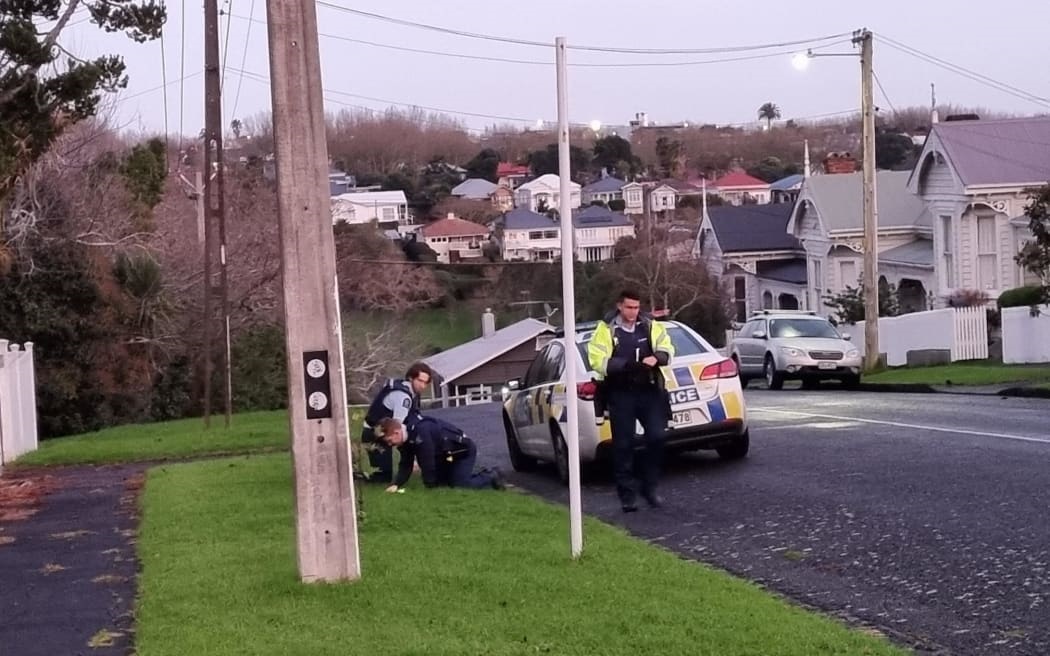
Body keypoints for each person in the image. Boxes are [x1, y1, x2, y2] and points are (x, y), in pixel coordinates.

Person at [587, 289, 675, 512]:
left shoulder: (650, 325)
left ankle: (649, 487)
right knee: (623, 445)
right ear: (620, 306)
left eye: (636, 308)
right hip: (621, 391)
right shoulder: (606, 329)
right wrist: (624, 365)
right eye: (629, 307)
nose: (633, 312)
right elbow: (597, 360)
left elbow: (667, 348)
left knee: (657, 437)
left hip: (649, 389)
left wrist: (657, 357)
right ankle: (627, 495)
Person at [375, 416, 504, 491]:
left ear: (397, 432)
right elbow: (406, 464)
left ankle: (492, 475)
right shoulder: (406, 439)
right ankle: (479, 477)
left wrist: (430, 485)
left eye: (390, 441)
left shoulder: (421, 432)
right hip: (447, 456)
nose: (390, 445)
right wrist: (396, 484)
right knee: (446, 484)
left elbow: (427, 461)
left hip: (462, 451)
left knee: (460, 485)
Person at [360, 362, 433, 483]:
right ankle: (355, 480)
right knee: (382, 477)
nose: (423, 386)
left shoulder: (406, 390)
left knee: (384, 473)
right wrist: (411, 457)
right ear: (411, 378)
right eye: (420, 381)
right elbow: (397, 429)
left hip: (379, 431)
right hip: (376, 435)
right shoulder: (403, 397)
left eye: (426, 382)